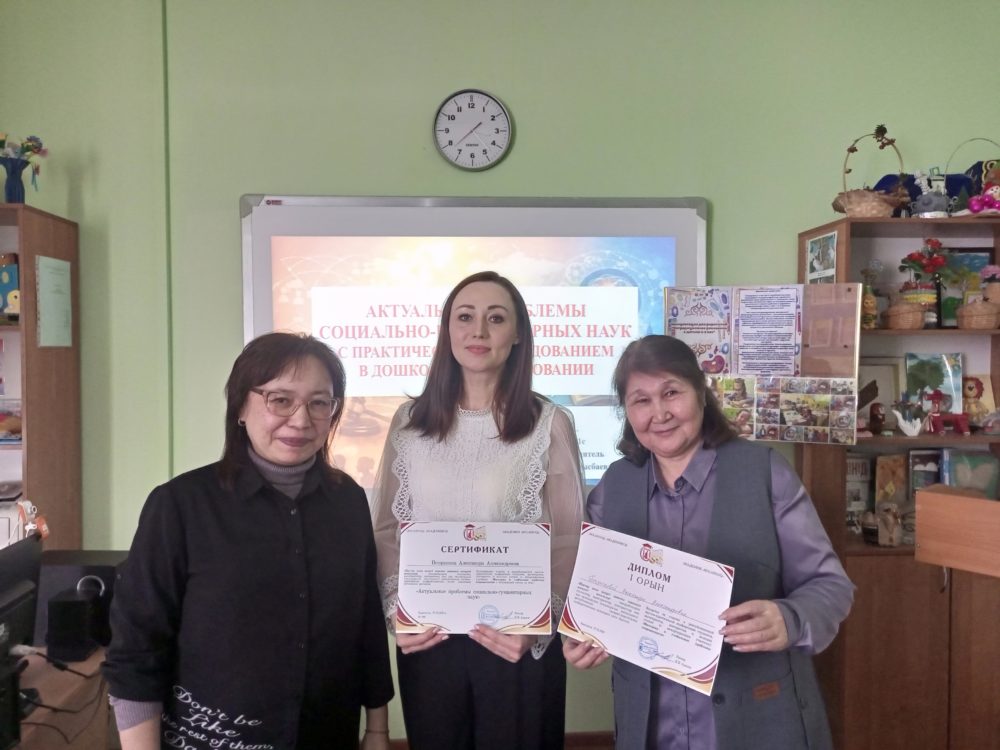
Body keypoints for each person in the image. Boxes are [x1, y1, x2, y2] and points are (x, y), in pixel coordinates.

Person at [103, 332, 394, 750]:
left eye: (319, 403)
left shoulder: (346, 499)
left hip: (326, 735)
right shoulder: (180, 505)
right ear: (241, 405)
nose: (301, 420)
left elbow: (364, 624)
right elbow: (137, 646)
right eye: (280, 400)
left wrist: (378, 729)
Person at [563, 335, 853, 750]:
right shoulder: (613, 487)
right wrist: (581, 634)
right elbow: (589, 593)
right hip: (651, 727)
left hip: (757, 719)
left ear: (701, 392)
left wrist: (789, 618)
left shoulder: (764, 473)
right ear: (626, 411)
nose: (659, 413)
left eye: (671, 393)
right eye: (641, 400)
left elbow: (830, 586)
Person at [371, 270, 585, 750]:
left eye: (496, 318)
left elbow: (569, 537)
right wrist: (397, 611)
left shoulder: (550, 423)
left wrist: (537, 627)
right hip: (431, 640)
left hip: (516, 644)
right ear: (448, 330)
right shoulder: (408, 422)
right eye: (465, 317)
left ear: (518, 334)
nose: (479, 331)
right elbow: (386, 528)